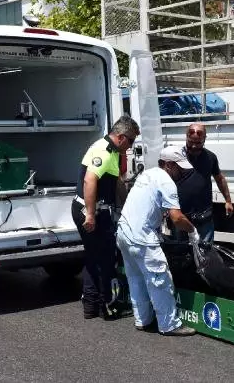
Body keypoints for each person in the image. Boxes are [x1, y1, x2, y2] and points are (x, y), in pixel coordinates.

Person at [116, 146, 201, 336]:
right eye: (180, 168)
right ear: (169, 165)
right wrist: (192, 231)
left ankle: (143, 320)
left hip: (124, 232)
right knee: (160, 279)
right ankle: (169, 324)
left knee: (136, 278)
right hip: (141, 237)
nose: (182, 173)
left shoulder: (147, 174)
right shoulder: (167, 182)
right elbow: (177, 217)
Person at [72, 115, 140, 320]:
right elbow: (90, 181)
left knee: (93, 258)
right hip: (91, 210)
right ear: (120, 137)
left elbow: (118, 176)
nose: (131, 146)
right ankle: (110, 306)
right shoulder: (105, 150)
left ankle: (91, 307)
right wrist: (91, 215)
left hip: (90, 209)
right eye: (131, 141)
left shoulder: (111, 150)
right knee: (107, 259)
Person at [176, 123, 233, 243]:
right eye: (190, 142)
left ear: (204, 139)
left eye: (198, 143)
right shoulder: (177, 157)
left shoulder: (211, 157)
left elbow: (220, 179)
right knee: (180, 254)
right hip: (181, 217)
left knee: (205, 254)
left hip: (204, 217)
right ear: (186, 137)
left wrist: (228, 200)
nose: (194, 146)